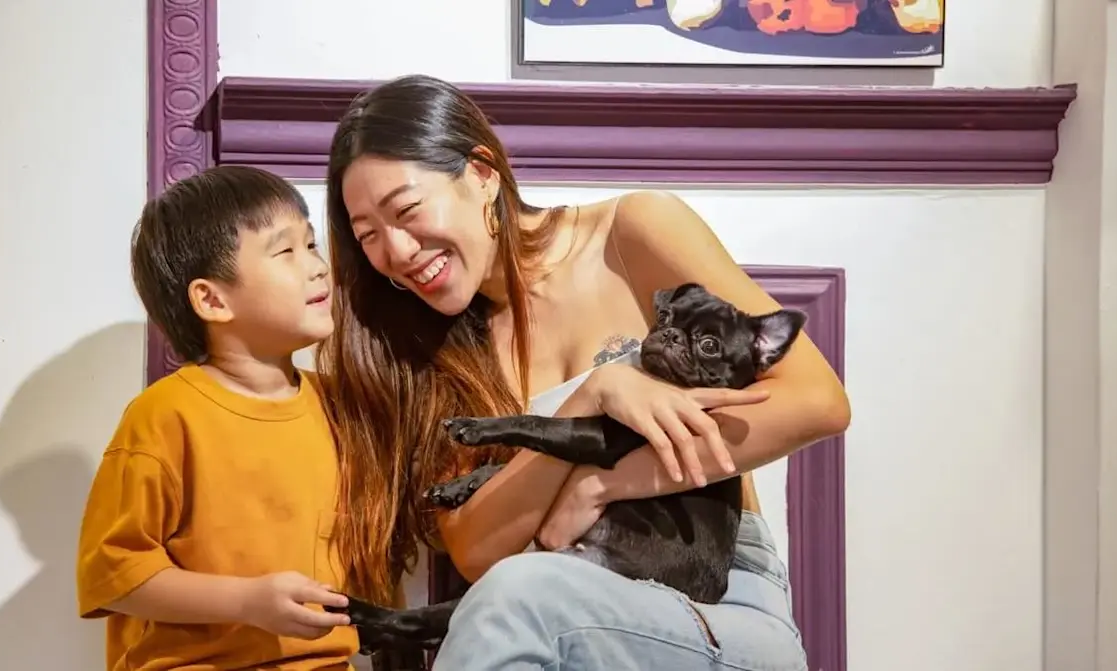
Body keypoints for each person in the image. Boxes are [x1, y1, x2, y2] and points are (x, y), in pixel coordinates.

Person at [319, 75, 851, 670]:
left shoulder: (632, 233)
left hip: (722, 599)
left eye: (407, 210)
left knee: (516, 598)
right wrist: (591, 397)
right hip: (564, 602)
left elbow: (815, 401)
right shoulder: (429, 349)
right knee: (513, 597)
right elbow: (475, 549)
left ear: (482, 174)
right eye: (368, 236)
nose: (397, 251)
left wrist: (605, 483)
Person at [75, 166, 379, 669]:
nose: (318, 266)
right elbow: (114, 573)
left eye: (312, 245)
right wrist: (246, 602)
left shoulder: (338, 407)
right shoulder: (165, 414)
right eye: (286, 251)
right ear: (212, 300)